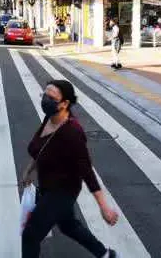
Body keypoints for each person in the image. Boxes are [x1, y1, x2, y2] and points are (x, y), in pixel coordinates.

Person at [21, 80, 118, 258]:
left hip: (63, 190)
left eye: (51, 97)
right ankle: (105, 254)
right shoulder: (50, 118)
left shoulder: (73, 132)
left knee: (30, 235)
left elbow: (87, 171)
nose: (45, 100)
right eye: (44, 95)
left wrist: (104, 207)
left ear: (65, 103)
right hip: (47, 184)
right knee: (68, 226)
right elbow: (41, 148)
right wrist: (29, 170)